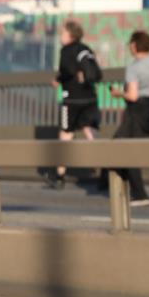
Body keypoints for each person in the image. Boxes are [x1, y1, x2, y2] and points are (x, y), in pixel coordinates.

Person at [109, 30, 149, 206]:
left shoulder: (134, 67)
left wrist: (118, 93)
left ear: (134, 45)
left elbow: (133, 96)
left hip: (139, 111)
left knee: (128, 148)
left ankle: (139, 194)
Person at [48, 20, 101, 189]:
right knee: (89, 130)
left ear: (70, 35)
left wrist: (58, 79)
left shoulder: (66, 51)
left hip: (71, 100)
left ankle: (59, 174)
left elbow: (66, 71)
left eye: (62, 33)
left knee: (65, 134)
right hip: (90, 98)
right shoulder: (86, 49)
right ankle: (103, 167)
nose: (60, 37)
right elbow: (96, 73)